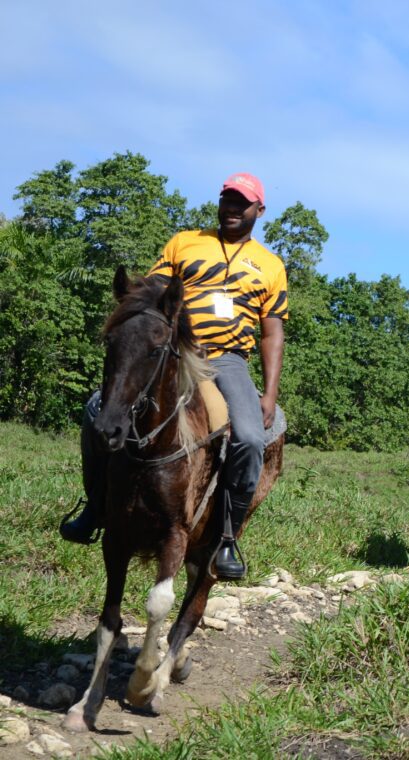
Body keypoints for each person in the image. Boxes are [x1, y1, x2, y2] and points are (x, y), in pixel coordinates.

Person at [60, 173, 288, 580]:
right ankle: (95, 507)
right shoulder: (184, 243)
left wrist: (269, 394)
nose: (233, 209)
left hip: (227, 360)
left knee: (251, 438)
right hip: (176, 352)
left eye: (242, 202)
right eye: (228, 200)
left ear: (259, 209)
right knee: (97, 407)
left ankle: (227, 537)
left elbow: (272, 333)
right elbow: (151, 295)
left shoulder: (270, 266)